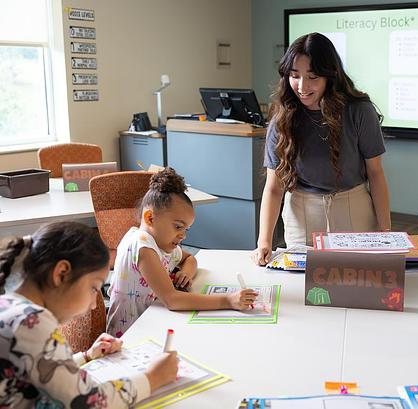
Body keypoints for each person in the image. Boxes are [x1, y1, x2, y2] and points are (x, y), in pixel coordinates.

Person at [0, 221, 178, 407]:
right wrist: (153, 378)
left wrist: (87, 356)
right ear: (61, 273)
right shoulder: (32, 322)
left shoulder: (12, 308)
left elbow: (41, 371)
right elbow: (87, 403)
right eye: (94, 288)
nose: (94, 304)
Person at [253, 32, 391, 265]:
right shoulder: (283, 117)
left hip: (352, 204)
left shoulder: (359, 110)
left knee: (356, 278)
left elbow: (375, 173)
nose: (302, 86)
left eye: (312, 77)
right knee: (303, 287)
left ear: (330, 76)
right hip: (301, 210)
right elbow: (273, 186)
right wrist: (264, 241)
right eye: (294, 76)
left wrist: (387, 234)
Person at [107, 168, 257, 337]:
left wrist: (185, 273)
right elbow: (172, 300)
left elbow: (190, 258)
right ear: (150, 218)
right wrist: (228, 300)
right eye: (178, 226)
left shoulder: (160, 243)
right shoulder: (142, 245)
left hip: (153, 322)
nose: (183, 235)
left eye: (186, 229)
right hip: (129, 336)